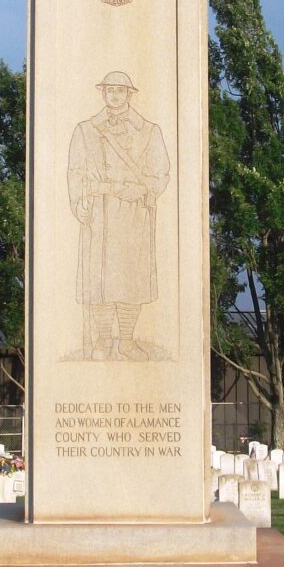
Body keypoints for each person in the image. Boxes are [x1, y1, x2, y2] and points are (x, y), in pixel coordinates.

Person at [67, 71, 170, 360]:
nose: (114, 95)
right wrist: (78, 202)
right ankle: (102, 340)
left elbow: (161, 172)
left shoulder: (149, 131)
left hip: (133, 213)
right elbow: (75, 171)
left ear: (129, 95)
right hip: (99, 212)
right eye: (109, 90)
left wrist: (142, 190)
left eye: (120, 90)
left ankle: (126, 341)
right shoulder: (85, 130)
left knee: (130, 281)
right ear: (103, 93)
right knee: (99, 282)